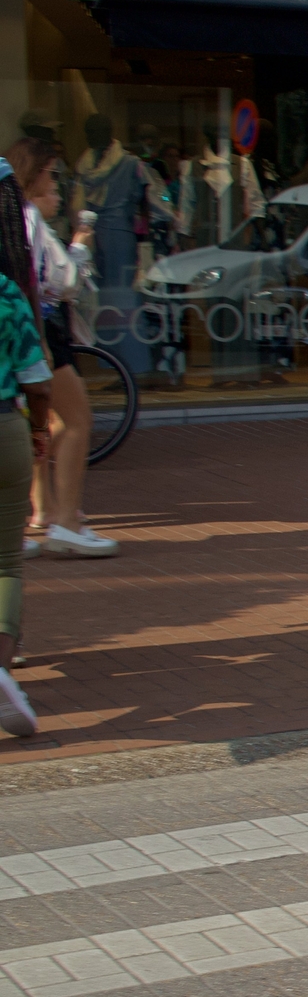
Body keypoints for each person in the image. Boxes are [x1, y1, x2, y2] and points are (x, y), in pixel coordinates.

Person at [7, 140, 113, 558]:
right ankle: (66, 520)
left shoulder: (10, 217)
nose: (58, 184)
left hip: (15, 328)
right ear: (33, 177)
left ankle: (40, 511)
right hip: (41, 328)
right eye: (52, 175)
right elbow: (63, 280)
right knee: (75, 420)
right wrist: (82, 244)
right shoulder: (30, 219)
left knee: (29, 420)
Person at [0, 156, 52, 735]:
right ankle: (2, 673)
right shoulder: (8, 294)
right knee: (4, 562)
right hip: (5, 429)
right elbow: (37, 380)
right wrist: (39, 429)